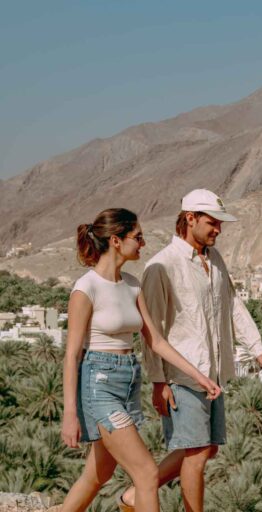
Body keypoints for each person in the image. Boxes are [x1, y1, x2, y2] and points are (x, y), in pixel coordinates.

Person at [119, 189, 262, 512]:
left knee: (208, 449)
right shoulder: (162, 265)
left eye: (220, 224)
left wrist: (257, 350)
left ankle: (134, 496)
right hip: (182, 374)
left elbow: (232, 305)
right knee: (196, 454)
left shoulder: (213, 259)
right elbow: (152, 331)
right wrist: (159, 381)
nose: (218, 230)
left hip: (213, 372)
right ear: (189, 219)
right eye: (212, 223)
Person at [60, 208, 222, 512]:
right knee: (146, 473)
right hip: (99, 384)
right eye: (138, 236)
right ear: (116, 241)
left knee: (99, 473)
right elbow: (72, 355)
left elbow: (157, 341)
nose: (143, 243)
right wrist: (70, 413)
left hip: (128, 381)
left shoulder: (132, 284)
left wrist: (201, 378)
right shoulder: (86, 288)